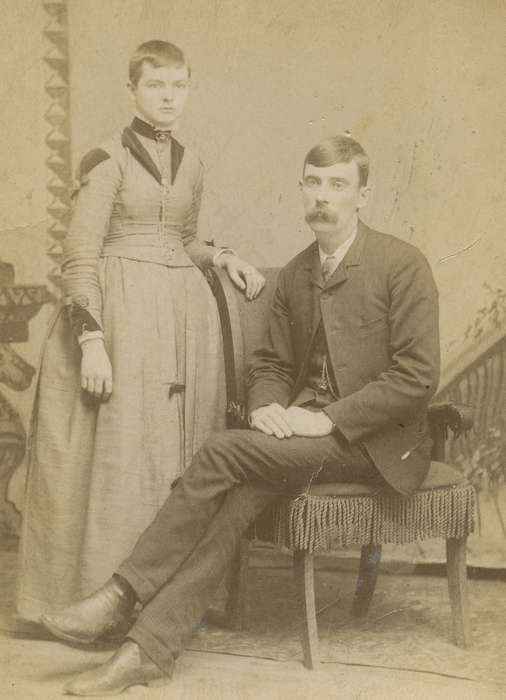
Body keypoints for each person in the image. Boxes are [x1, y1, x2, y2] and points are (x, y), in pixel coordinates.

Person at [40, 134, 440, 696]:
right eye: (313, 182)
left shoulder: (402, 264)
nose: (322, 197)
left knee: (224, 450)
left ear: (363, 196)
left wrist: (327, 419)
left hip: (377, 446)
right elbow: (271, 363)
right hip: (299, 441)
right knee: (239, 500)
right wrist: (267, 409)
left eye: (338, 185)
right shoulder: (297, 274)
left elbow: (418, 376)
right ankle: (147, 649)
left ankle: (124, 593)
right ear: (302, 188)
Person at [16, 40, 265, 622]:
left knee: (176, 459)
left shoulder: (194, 163)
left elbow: (183, 238)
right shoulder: (106, 160)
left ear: (189, 89)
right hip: (121, 321)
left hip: (184, 326)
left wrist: (222, 256)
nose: (169, 97)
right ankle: (96, 604)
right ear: (133, 90)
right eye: (156, 86)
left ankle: (171, 602)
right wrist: (91, 340)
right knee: (123, 463)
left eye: (178, 86)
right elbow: (80, 252)